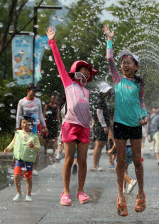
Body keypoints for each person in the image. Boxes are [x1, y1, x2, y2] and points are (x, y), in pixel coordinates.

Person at [47, 26, 97, 206]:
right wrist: (52, 41)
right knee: (68, 159)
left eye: (87, 71)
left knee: (83, 160)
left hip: (84, 127)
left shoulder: (87, 91)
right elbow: (59, 63)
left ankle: (81, 191)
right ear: (76, 71)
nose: (85, 72)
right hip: (70, 125)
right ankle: (66, 192)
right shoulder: (69, 84)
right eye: (82, 69)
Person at [104, 25, 148, 216]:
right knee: (120, 162)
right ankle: (121, 196)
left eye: (129, 62)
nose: (125, 65)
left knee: (137, 161)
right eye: (123, 62)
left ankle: (141, 193)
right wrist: (109, 39)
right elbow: (109, 59)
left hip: (136, 125)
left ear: (136, 66)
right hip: (120, 124)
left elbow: (142, 101)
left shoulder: (139, 83)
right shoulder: (117, 79)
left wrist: (144, 115)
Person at [4, 115, 41, 202]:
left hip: (28, 160)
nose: (25, 125)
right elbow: (13, 142)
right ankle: (18, 193)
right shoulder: (18, 133)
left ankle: (28, 194)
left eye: (28, 124)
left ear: (32, 125)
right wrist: (8, 148)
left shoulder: (34, 136)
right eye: (24, 123)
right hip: (18, 159)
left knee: (28, 178)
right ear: (21, 123)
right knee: (16, 175)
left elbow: (39, 147)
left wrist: (33, 146)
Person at [16, 84, 48, 175]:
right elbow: (18, 115)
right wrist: (17, 127)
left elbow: (41, 114)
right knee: (24, 146)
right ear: (27, 90)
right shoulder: (22, 102)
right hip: (25, 127)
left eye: (35, 92)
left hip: (36, 126)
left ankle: (34, 167)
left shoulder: (37, 101)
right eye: (33, 91)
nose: (34, 93)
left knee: (35, 147)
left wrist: (44, 126)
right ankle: (23, 165)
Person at [91, 82, 112, 171]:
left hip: (100, 125)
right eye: (108, 91)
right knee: (98, 146)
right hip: (100, 126)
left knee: (100, 146)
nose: (109, 92)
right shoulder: (100, 100)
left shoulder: (102, 99)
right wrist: (104, 126)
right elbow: (99, 114)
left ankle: (96, 164)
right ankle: (95, 165)